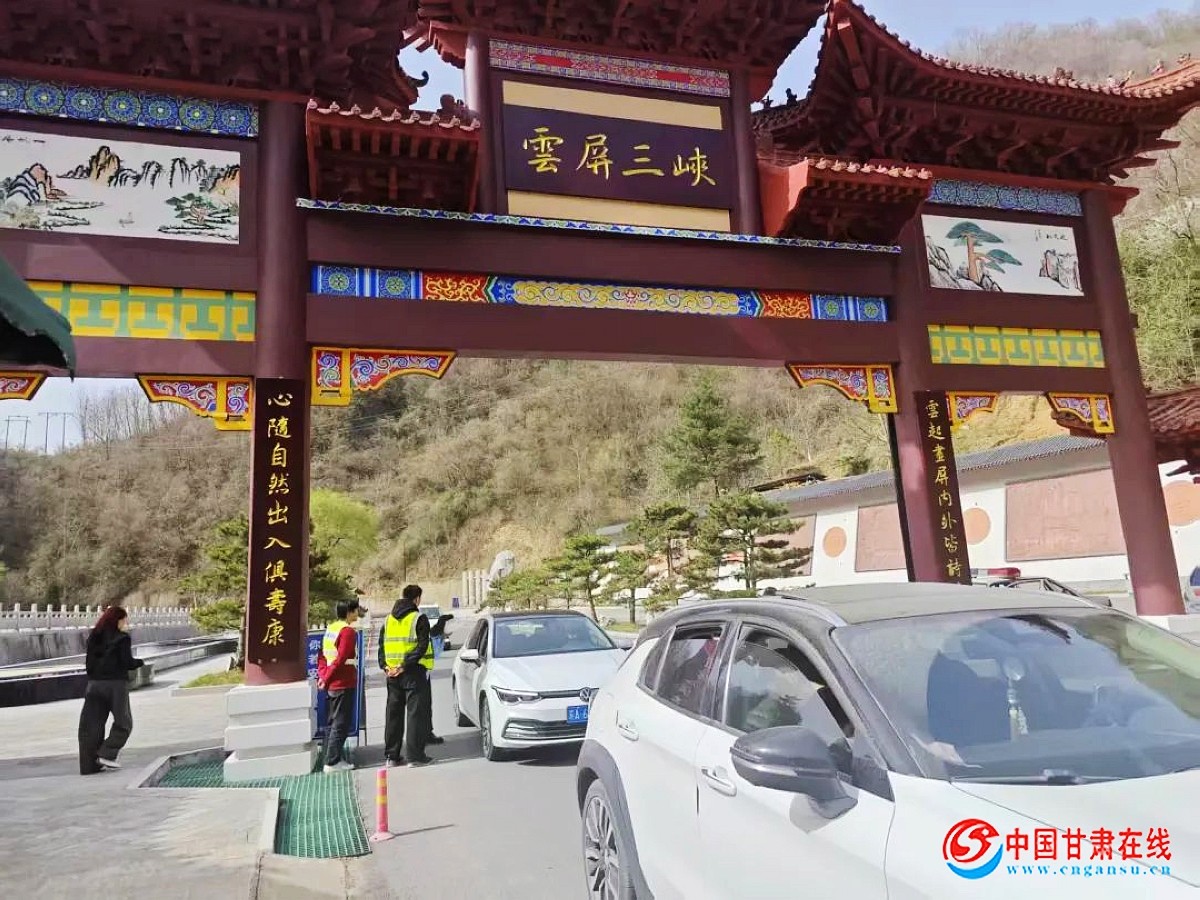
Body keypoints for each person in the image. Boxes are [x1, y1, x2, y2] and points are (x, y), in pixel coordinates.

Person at [78, 606, 144, 775]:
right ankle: (107, 754)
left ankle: (89, 765)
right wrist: (140, 662)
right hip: (116, 685)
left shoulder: (94, 636)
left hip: (94, 685)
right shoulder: (122, 638)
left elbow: (89, 663)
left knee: (91, 725)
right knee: (124, 722)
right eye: (124, 620)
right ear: (118, 620)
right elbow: (127, 662)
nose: (125, 623)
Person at [380, 585, 435, 767]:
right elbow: (422, 646)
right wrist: (404, 665)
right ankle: (415, 757)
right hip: (413, 672)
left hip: (392, 673)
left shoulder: (388, 620)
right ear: (417, 599)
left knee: (393, 715)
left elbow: (382, 646)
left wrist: (385, 667)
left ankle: (392, 757)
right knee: (415, 714)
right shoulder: (418, 618)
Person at [318, 599, 362, 773]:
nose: (358, 613)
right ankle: (332, 761)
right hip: (343, 681)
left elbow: (323, 656)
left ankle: (331, 757)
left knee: (333, 722)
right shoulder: (347, 632)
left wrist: (323, 676)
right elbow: (341, 658)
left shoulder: (331, 629)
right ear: (349, 612)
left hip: (332, 683)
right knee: (341, 723)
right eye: (356, 610)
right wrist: (327, 678)